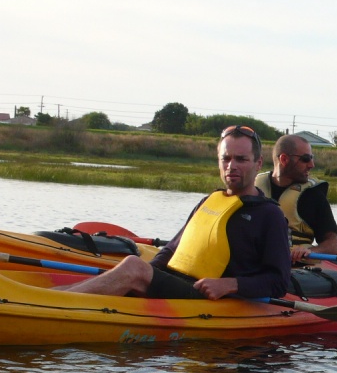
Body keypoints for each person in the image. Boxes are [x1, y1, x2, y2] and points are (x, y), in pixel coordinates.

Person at [60, 125, 290, 301]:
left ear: (258, 163)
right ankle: (54, 297)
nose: (232, 166)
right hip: (181, 284)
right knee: (134, 268)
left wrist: (230, 284)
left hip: (211, 298)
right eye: (226, 158)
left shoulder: (269, 215)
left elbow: (279, 282)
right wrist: (148, 273)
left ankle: (60, 302)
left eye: (241, 159)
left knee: (132, 266)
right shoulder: (209, 202)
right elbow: (171, 250)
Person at [255, 134, 337, 262]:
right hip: (255, 265)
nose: (311, 164)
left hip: (296, 268)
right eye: (305, 159)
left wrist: (311, 251)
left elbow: (332, 245)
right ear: (284, 159)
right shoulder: (252, 189)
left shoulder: (314, 195)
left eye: (312, 158)